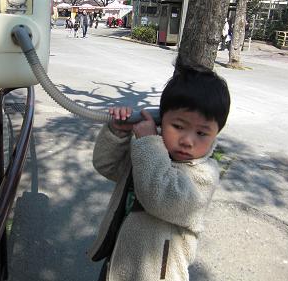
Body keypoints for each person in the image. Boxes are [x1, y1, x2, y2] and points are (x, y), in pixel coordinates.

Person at [89, 63, 231, 281]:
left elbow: (162, 198)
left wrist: (147, 142)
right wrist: (117, 133)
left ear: (216, 134)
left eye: (202, 133)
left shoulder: (204, 175)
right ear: (160, 120)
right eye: (178, 126)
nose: (187, 141)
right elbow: (106, 165)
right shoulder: (150, 152)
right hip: (117, 263)